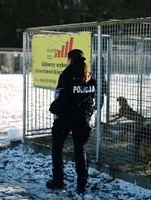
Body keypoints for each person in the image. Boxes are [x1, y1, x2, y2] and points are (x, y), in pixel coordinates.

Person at [47, 49, 96, 194]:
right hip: (83, 118)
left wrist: (58, 119)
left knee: (57, 145)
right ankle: (82, 183)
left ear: (70, 60)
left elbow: (62, 101)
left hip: (67, 118)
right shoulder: (90, 76)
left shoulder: (66, 76)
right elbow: (90, 98)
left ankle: (58, 180)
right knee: (80, 148)